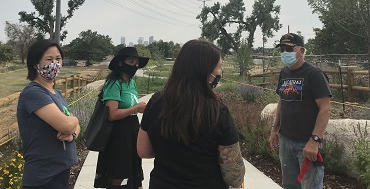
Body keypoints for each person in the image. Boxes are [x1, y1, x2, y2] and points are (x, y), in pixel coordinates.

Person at [137, 39, 245, 189]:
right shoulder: (218, 112)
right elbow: (234, 175)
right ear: (206, 71)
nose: (220, 72)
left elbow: (143, 151)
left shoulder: (156, 102)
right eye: (219, 67)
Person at [269, 33, 332, 189]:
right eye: (282, 49)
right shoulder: (284, 73)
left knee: (311, 185)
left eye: (289, 49)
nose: (284, 53)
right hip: (285, 141)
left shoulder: (314, 74)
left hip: (306, 144)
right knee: (290, 185)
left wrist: (314, 140)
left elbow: (325, 109)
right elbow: (281, 101)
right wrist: (274, 129)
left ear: (302, 51)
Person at [17, 39, 80, 189]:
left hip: (60, 171)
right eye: (49, 59)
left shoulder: (55, 93)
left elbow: (74, 128)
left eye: (58, 59)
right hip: (43, 176)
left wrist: (73, 134)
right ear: (35, 64)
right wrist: (74, 120)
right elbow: (66, 124)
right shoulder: (34, 93)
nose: (55, 63)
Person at [94, 46, 149, 189]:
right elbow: (112, 114)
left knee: (134, 175)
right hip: (118, 136)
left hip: (131, 134)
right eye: (131, 61)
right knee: (118, 176)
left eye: (136, 63)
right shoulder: (114, 83)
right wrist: (136, 108)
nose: (134, 66)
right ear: (120, 63)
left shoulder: (131, 83)